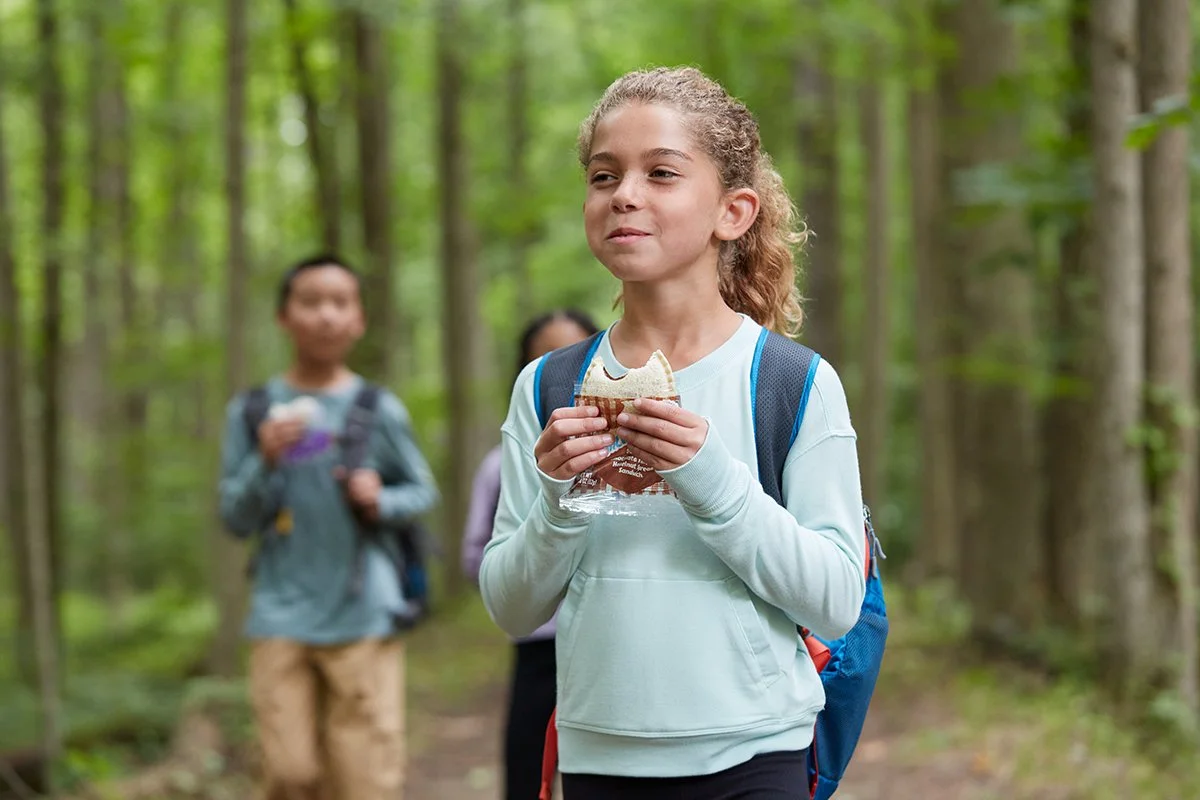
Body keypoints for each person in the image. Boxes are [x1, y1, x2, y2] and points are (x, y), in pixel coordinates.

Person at [478, 67, 866, 799]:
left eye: (661, 173)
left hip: (759, 755)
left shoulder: (790, 382)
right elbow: (511, 607)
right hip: (599, 757)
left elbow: (836, 600)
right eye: (603, 175)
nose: (624, 193)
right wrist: (563, 498)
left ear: (734, 211)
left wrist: (711, 478)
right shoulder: (547, 386)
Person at [218, 254, 439, 800]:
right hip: (279, 613)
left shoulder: (376, 407)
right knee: (289, 774)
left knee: (366, 781)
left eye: (339, 303)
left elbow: (421, 491)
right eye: (310, 302)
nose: (325, 316)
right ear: (283, 318)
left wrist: (378, 498)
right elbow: (233, 517)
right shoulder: (251, 411)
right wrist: (263, 461)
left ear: (358, 319)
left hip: (364, 612)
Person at [462, 310, 601, 800]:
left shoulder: (629, 453)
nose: (561, 367)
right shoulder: (502, 463)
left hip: (608, 636)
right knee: (526, 771)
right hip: (539, 644)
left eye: (577, 354)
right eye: (545, 355)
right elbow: (477, 552)